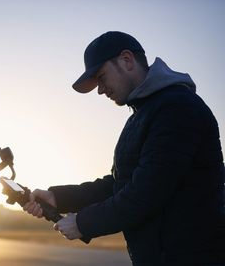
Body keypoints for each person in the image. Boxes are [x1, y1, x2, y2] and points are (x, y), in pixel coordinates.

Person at [23, 31, 225, 265]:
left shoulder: (177, 108)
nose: (100, 89)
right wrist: (58, 197)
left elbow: (146, 192)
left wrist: (82, 223)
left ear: (127, 60)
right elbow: (120, 184)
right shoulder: (141, 115)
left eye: (101, 77)